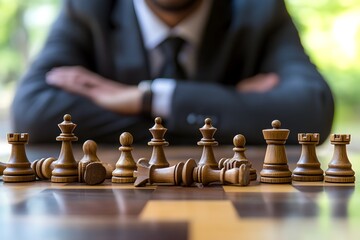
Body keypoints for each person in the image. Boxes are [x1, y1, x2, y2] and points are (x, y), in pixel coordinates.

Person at [11, 0, 334, 145]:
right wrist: (230, 108)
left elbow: (312, 113)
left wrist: (149, 99)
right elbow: (32, 114)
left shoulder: (261, 8)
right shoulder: (87, 8)